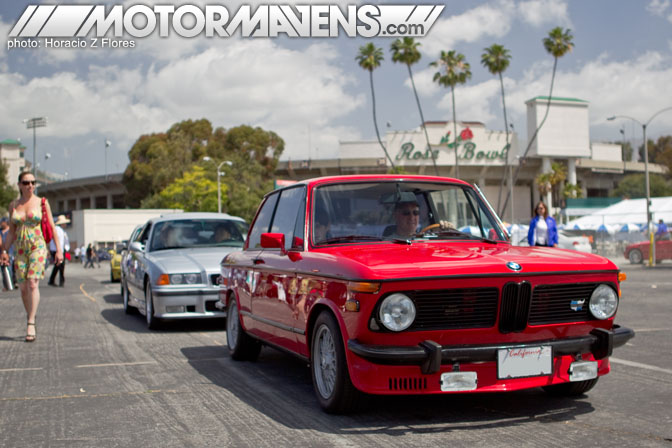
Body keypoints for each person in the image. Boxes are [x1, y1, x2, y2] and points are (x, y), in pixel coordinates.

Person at [1, 171, 62, 342]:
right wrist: (4, 251)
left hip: (37, 245)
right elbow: (12, 232)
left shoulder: (42, 203)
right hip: (20, 248)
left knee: (33, 283)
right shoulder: (13, 205)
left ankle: (31, 322)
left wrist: (58, 250)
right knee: (22, 287)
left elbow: (51, 226)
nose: (30, 186)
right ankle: (31, 314)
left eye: (33, 182)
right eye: (26, 183)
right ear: (19, 185)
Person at [48, 215, 70, 287]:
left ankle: (53, 280)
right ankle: (60, 281)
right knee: (60, 266)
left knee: (58, 266)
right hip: (57, 250)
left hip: (59, 250)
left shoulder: (62, 231)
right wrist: (59, 250)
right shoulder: (57, 230)